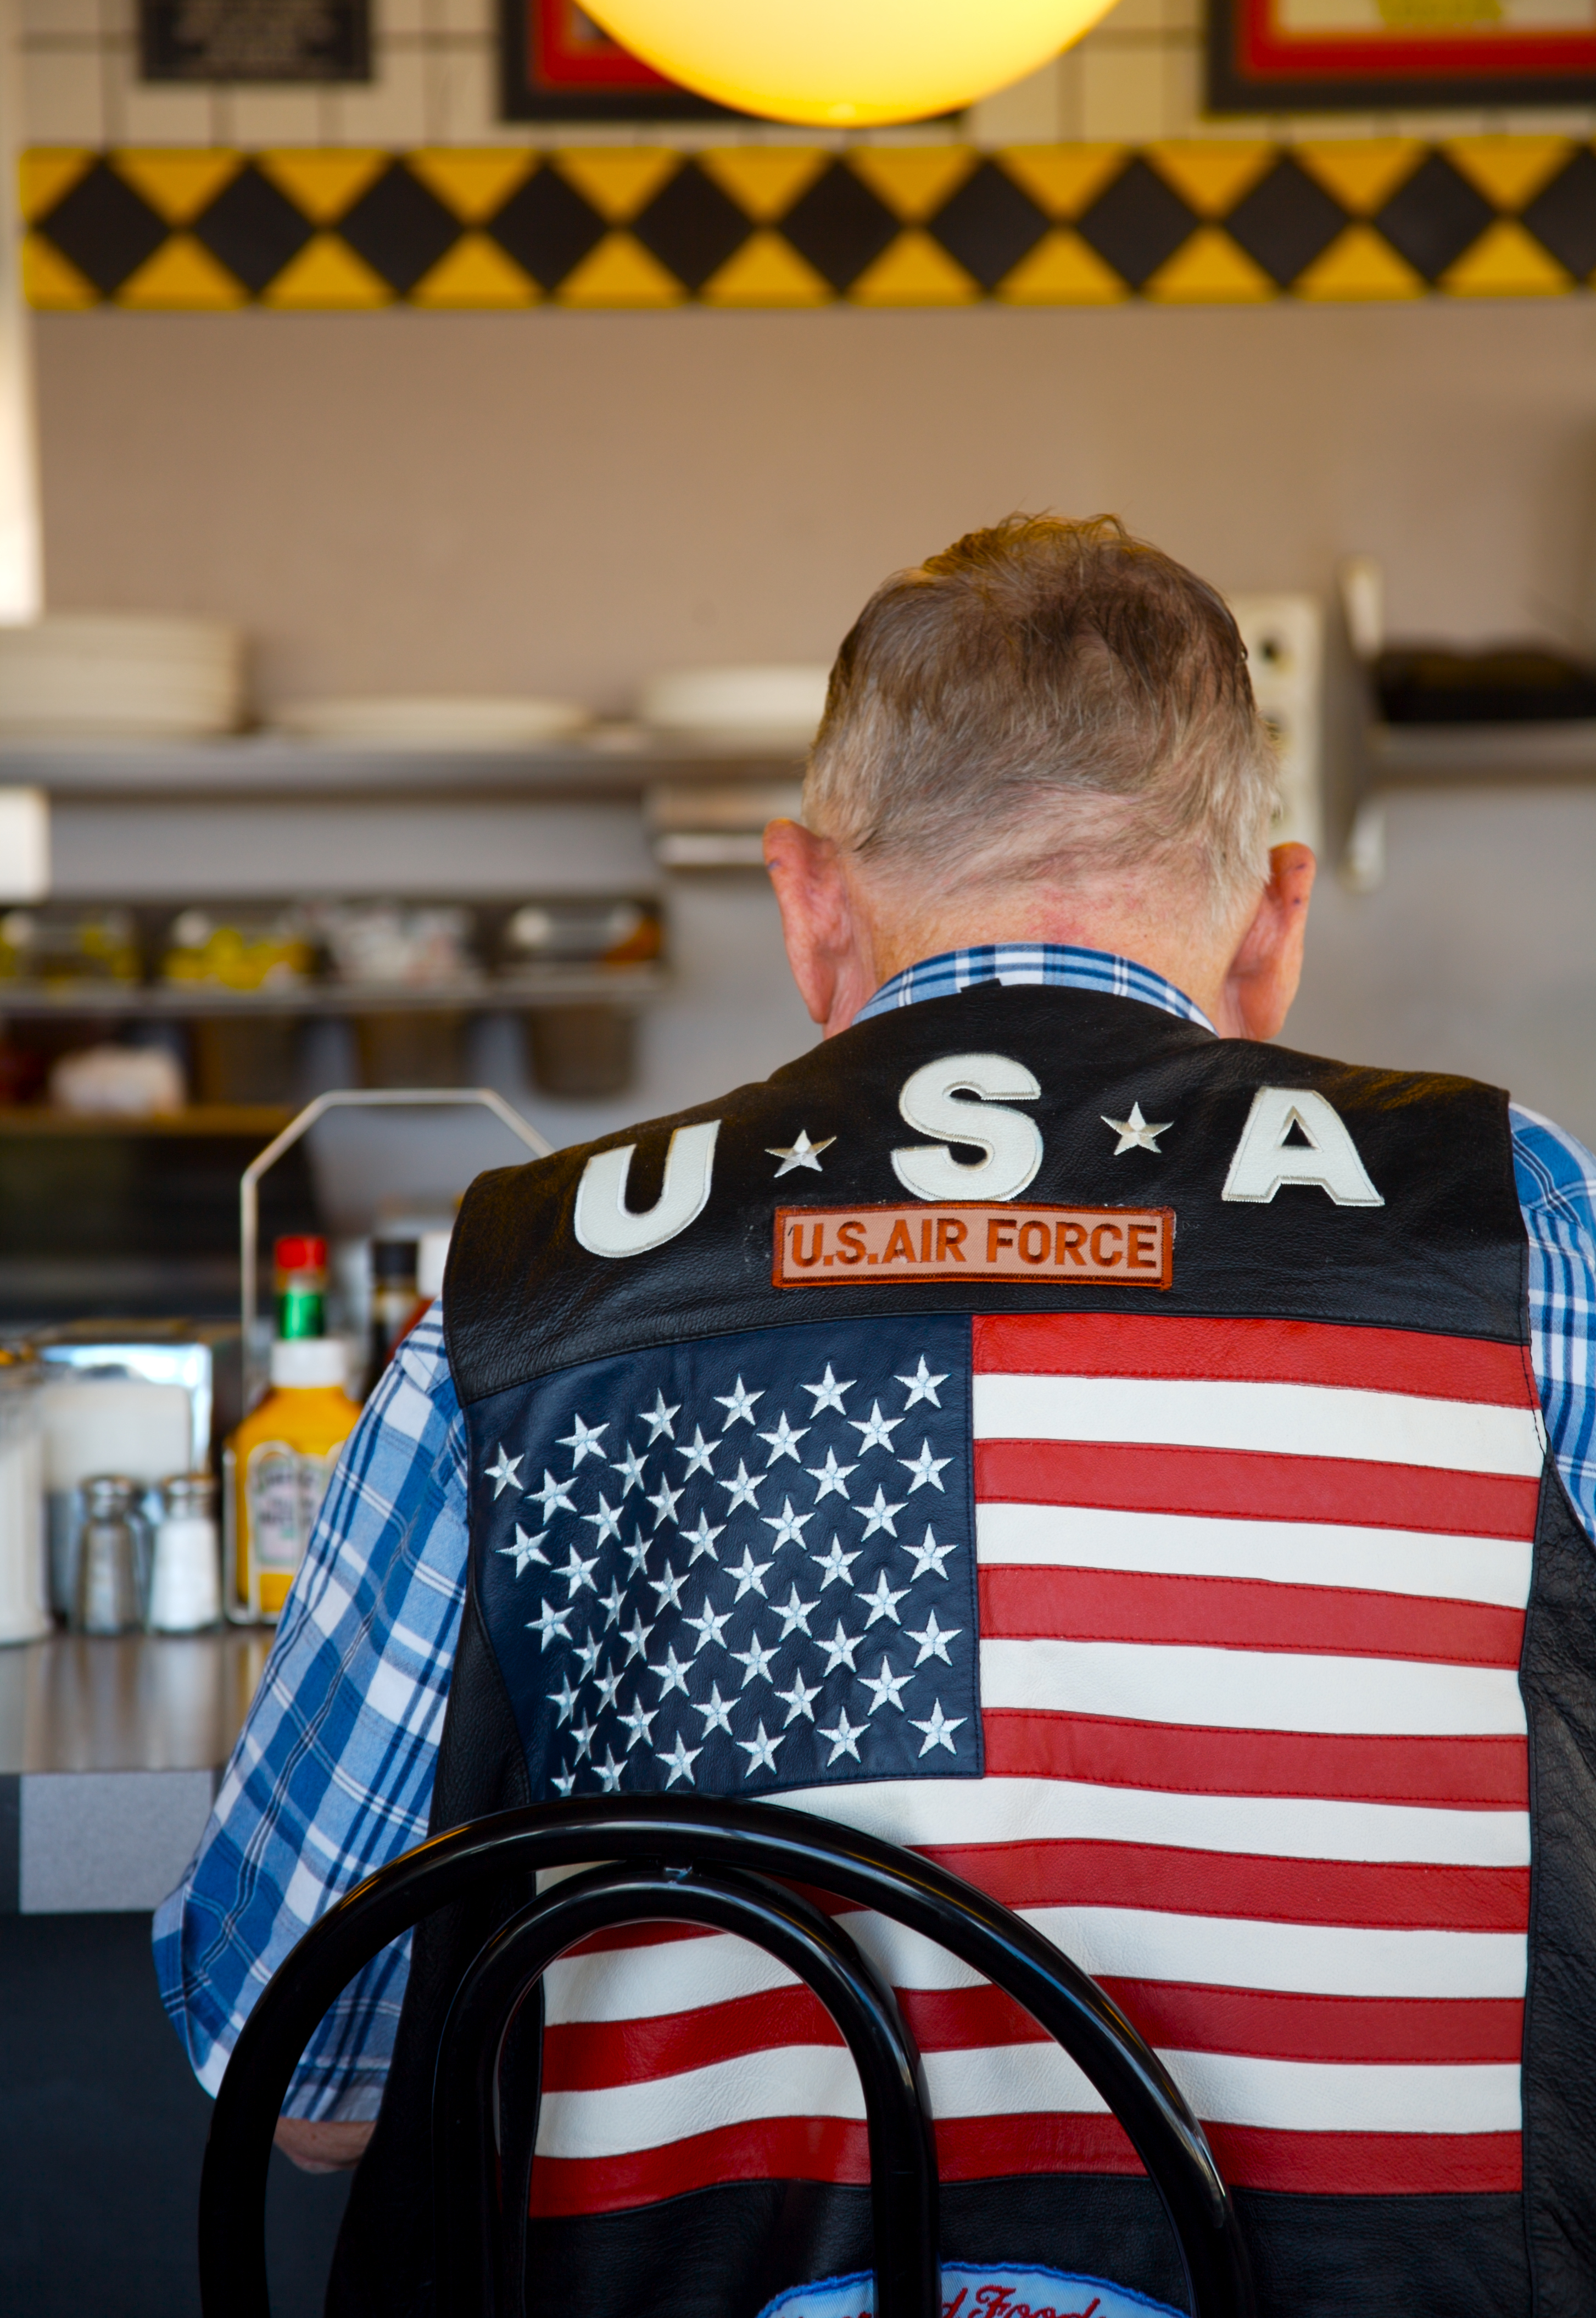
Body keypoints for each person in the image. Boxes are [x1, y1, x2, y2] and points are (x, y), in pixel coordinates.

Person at [157, 515, 1596, 2318]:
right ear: (1273, 921)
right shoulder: (1511, 1216)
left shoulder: (531, 1279)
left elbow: (299, 2068)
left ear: (806, 902)